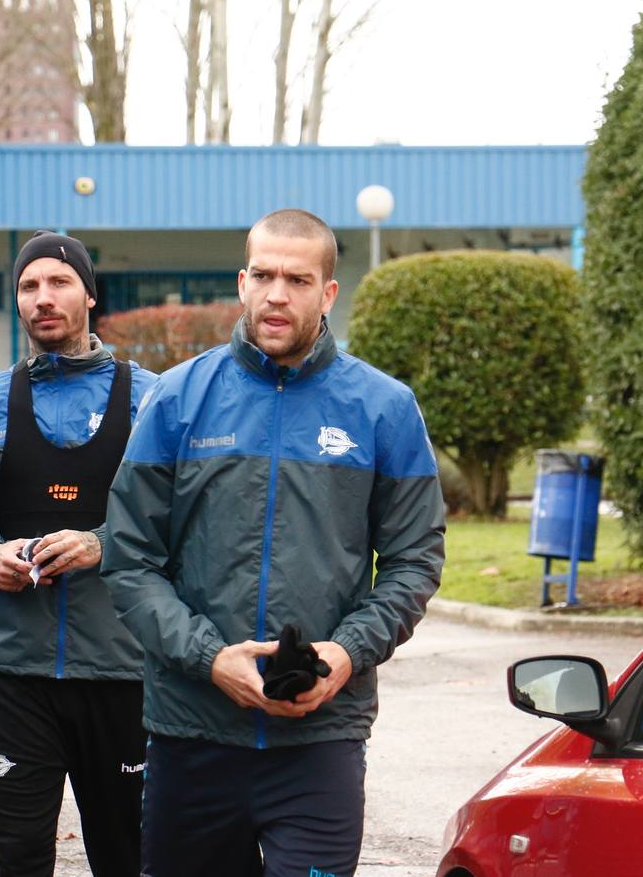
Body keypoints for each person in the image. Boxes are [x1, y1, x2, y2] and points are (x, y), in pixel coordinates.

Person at [102, 208, 446, 876]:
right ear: (241, 282)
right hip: (191, 734)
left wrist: (344, 656)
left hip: (319, 741)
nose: (277, 294)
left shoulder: (384, 408)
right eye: (263, 274)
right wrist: (209, 659)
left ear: (328, 292)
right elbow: (129, 561)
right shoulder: (177, 400)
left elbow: (414, 560)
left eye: (297, 277)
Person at [0, 230, 156, 877]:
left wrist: (102, 544)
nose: (43, 297)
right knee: (20, 860)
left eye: (59, 282)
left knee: (129, 859)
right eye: (29, 286)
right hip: (15, 677)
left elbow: (184, 525)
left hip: (123, 674)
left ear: (89, 293)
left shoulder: (152, 402)